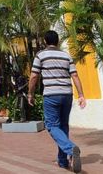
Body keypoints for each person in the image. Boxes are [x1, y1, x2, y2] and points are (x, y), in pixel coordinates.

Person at [28, 30, 86, 173]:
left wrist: (30, 93)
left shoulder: (40, 55)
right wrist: (81, 94)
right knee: (63, 126)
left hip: (51, 95)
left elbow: (34, 77)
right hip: (67, 95)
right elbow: (75, 75)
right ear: (58, 41)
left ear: (45, 42)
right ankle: (62, 161)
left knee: (51, 125)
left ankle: (70, 149)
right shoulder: (66, 56)